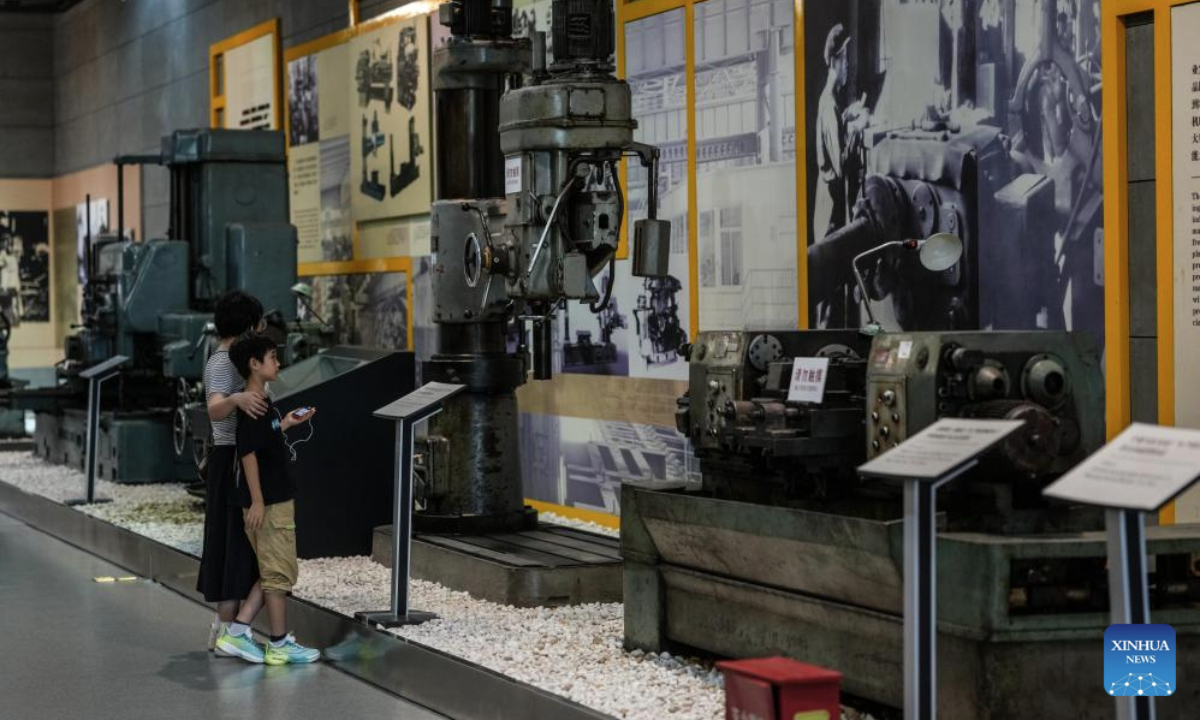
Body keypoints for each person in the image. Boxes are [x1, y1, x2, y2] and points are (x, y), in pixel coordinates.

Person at [226, 333, 320, 665]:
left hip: (273, 499)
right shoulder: (252, 404)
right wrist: (258, 500)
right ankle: (278, 644)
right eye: (272, 357)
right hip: (270, 503)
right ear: (254, 364)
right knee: (278, 576)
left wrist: (286, 424)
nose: (278, 363)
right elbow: (248, 453)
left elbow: (261, 440)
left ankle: (236, 633)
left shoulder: (262, 402)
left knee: (270, 572)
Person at [197, 290, 270, 660]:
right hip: (231, 462)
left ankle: (225, 628)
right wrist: (237, 400)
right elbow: (213, 410)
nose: (263, 328)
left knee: (234, 544)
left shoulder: (232, 359)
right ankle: (230, 631)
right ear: (246, 327)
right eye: (259, 323)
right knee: (233, 544)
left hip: (234, 460)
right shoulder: (224, 362)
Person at [813, 23, 867, 243]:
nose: (848, 66)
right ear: (835, 62)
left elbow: (833, 130)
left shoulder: (830, 102)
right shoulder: (829, 106)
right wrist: (856, 129)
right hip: (830, 222)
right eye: (845, 61)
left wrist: (847, 116)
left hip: (830, 209)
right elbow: (841, 165)